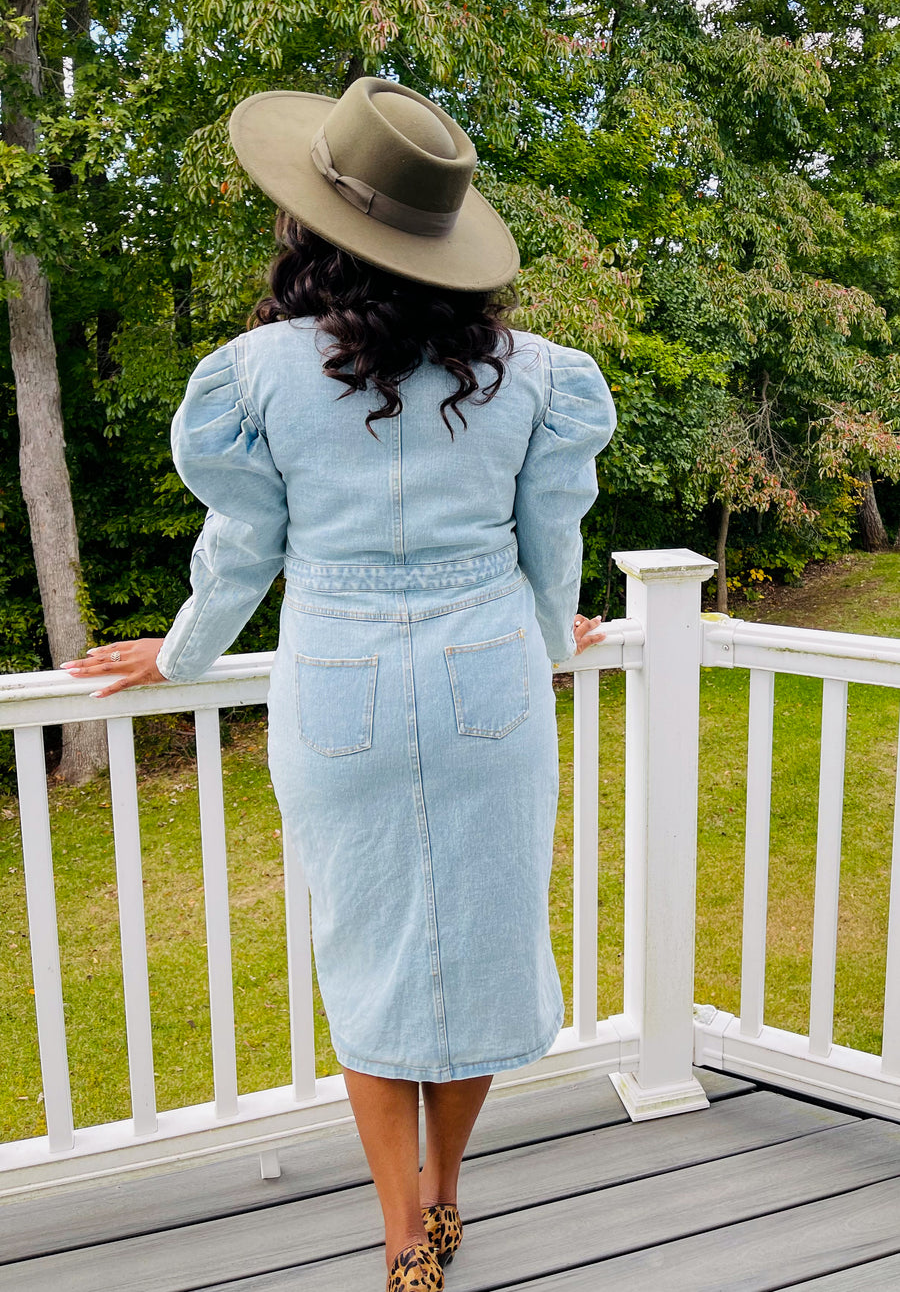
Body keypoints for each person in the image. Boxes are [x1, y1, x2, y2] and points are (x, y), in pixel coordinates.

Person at [62, 77, 616, 1291]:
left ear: (309, 223)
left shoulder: (254, 372)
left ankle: (399, 1228)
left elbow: (241, 550)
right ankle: (453, 1197)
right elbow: (550, 549)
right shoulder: (534, 374)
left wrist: (181, 652)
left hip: (338, 687)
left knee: (364, 949)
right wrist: (544, 640)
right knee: (482, 949)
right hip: (493, 688)